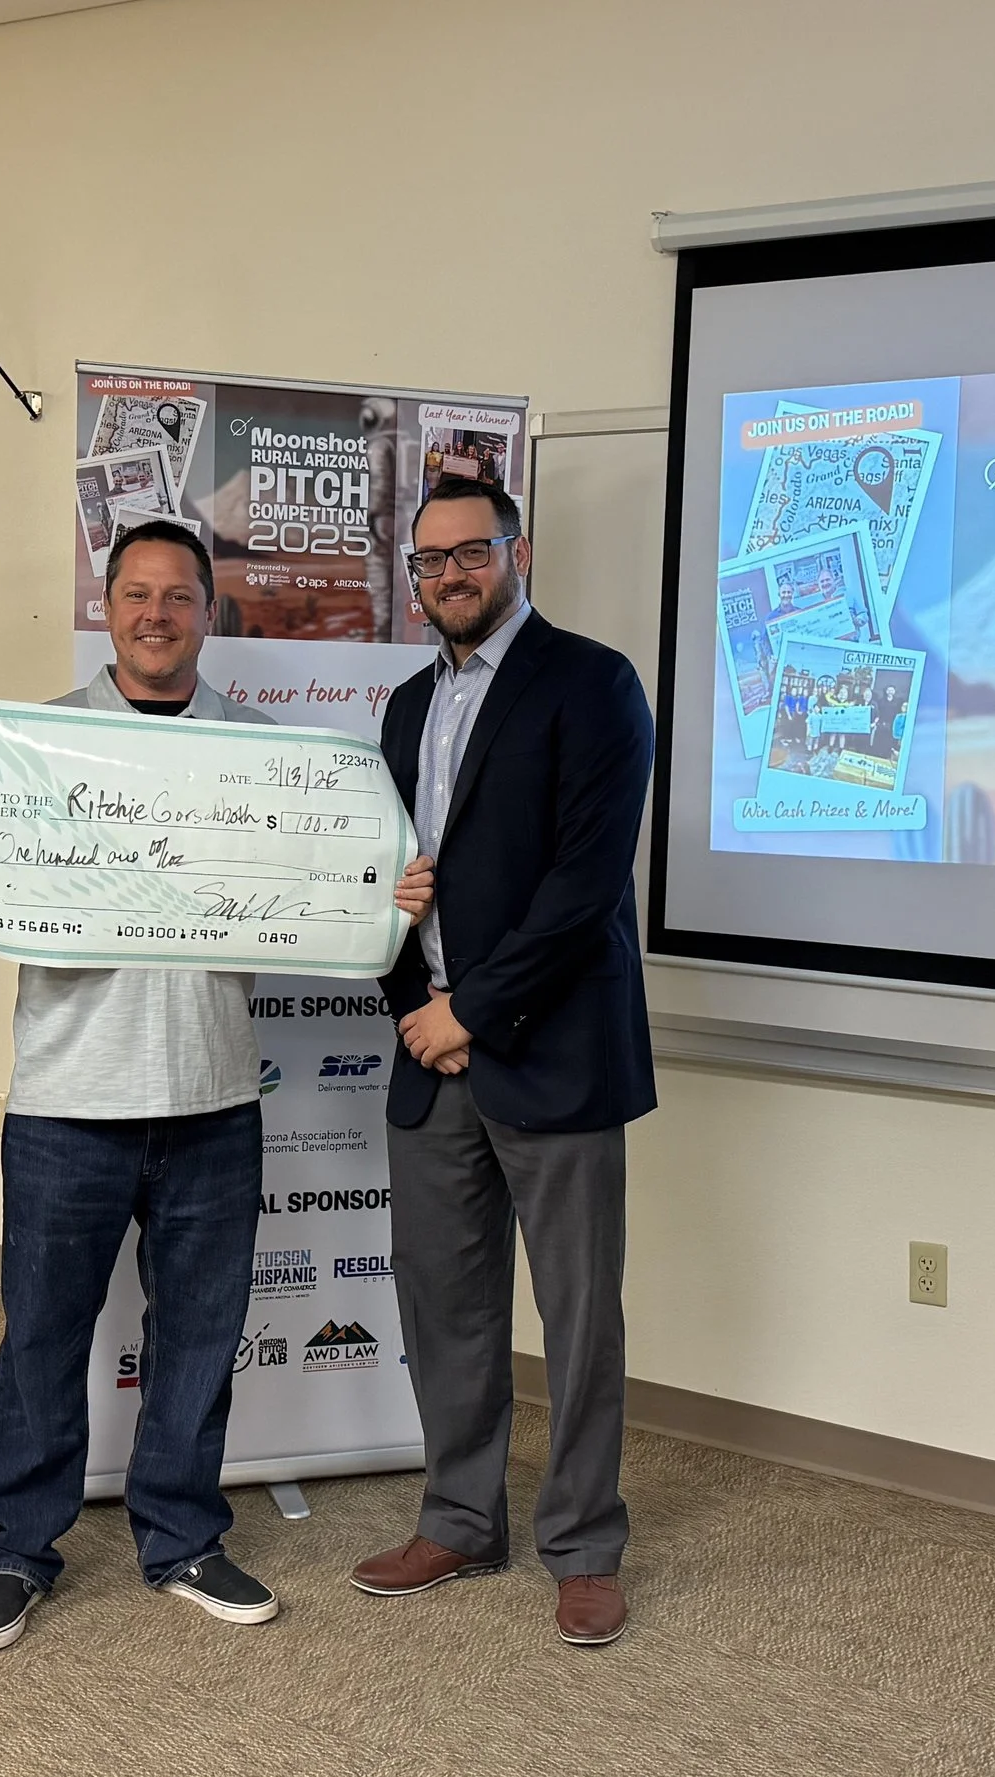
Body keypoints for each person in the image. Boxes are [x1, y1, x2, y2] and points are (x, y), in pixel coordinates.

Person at [0, 520, 433, 1650]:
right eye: (135, 594)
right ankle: (18, 1550)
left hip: (213, 1100)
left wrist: (388, 894)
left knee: (200, 1335)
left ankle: (183, 1535)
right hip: (65, 1102)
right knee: (42, 1336)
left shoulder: (260, 753)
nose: (156, 614)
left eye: (179, 596)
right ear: (108, 606)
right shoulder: (33, 744)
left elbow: (333, 892)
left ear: (208, 613)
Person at [348, 474, 656, 1650]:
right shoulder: (403, 708)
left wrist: (467, 1010)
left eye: (469, 553)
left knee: (578, 1320)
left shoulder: (593, 683)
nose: (448, 577)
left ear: (516, 552)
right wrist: (408, 1000)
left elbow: (582, 890)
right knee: (445, 1310)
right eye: (428, 563)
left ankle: (584, 1544)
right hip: (429, 1055)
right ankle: (462, 1519)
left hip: (551, 1056)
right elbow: (390, 875)